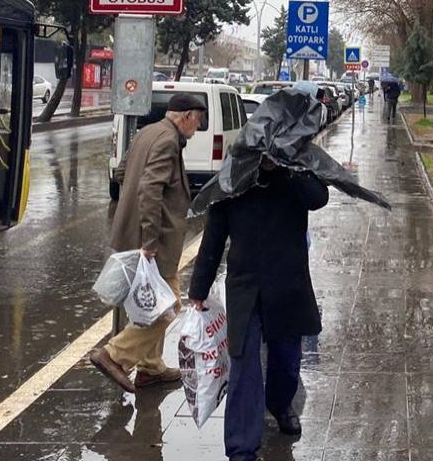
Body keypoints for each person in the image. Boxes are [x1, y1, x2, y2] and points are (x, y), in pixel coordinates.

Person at [189, 156, 328, 461]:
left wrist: (287, 166)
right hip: (245, 286)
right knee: (244, 366)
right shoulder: (234, 172)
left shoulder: (295, 166)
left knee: (287, 362)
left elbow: (318, 198)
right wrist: (199, 288)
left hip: (288, 284)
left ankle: (279, 405)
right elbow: (214, 233)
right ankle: (241, 448)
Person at [90, 92, 206, 394]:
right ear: (187, 116)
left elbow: (122, 172)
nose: (197, 129)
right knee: (168, 306)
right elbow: (150, 189)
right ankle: (115, 354)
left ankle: (151, 368)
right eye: (198, 121)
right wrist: (151, 240)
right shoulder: (168, 141)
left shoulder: (148, 132)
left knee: (150, 301)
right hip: (152, 240)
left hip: (130, 231)